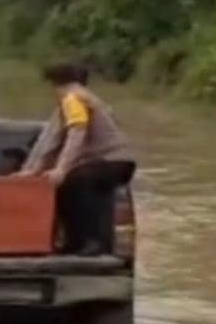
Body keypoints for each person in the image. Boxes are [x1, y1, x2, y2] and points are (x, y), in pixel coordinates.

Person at [18, 63, 136, 255]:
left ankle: (93, 242)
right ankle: (75, 242)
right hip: (121, 161)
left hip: (112, 160)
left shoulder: (72, 99)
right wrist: (35, 170)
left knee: (75, 181)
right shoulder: (87, 98)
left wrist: (61, 169)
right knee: (67, 185)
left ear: (55, 84)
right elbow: (54, 142)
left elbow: (77, 133)